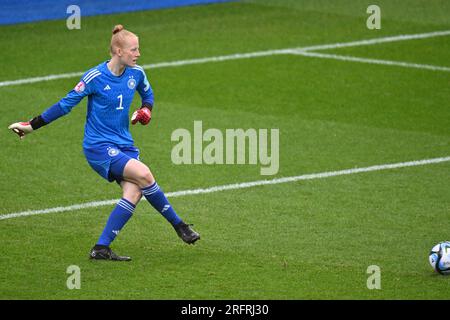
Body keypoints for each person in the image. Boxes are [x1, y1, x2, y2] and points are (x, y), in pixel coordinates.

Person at [8, 24, 200, 261]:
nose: (138, 54)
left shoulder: (136, 73)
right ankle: (180, 226)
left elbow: (148, 95)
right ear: (118, 51)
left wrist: (145, 110)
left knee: (134, 192)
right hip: (98, 147)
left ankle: (101, 248)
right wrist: (31, 125)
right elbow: (65, 105)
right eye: (134, 49)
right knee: (145, 175)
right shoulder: (95, 77)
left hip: (124, 144)